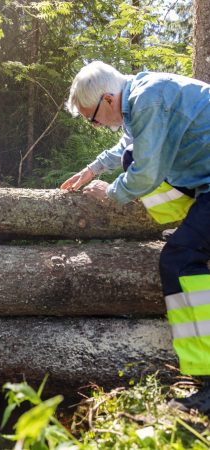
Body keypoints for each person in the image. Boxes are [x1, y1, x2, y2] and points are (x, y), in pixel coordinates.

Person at [61, 61, 210, 414]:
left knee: (178, 259)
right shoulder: (141, 96)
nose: (94, 125)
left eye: (92, 118)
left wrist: (110, 192)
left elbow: (147, 172)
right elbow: (127, 146)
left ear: (109, 99)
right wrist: (92, 168)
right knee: (128, 157)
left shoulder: (149, 100)